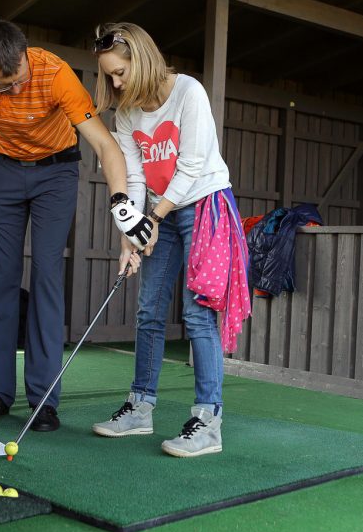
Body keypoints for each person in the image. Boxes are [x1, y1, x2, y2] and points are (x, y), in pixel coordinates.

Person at [0, 20, 151, 433]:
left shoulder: (54, 73)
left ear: (26, 55)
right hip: (3, 171)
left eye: (20, 80)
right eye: (4, 85)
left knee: (47, 277)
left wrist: (122, 206)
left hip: (56, 173)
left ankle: (44, 400)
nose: (16, 91)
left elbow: (105, 145)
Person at [90, 22, 251, 457]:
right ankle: (140, 407)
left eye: (120, 72)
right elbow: (136, 175)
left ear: (140, 59)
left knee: (197, 315)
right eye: (110, 76)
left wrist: (155, 217)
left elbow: (194, 163)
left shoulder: (188, 92)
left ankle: (208, 421)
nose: (116, 83)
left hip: (203, 205)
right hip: (161, 210)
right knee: (149, 311)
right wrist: (131, 232)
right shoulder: (126, 112)